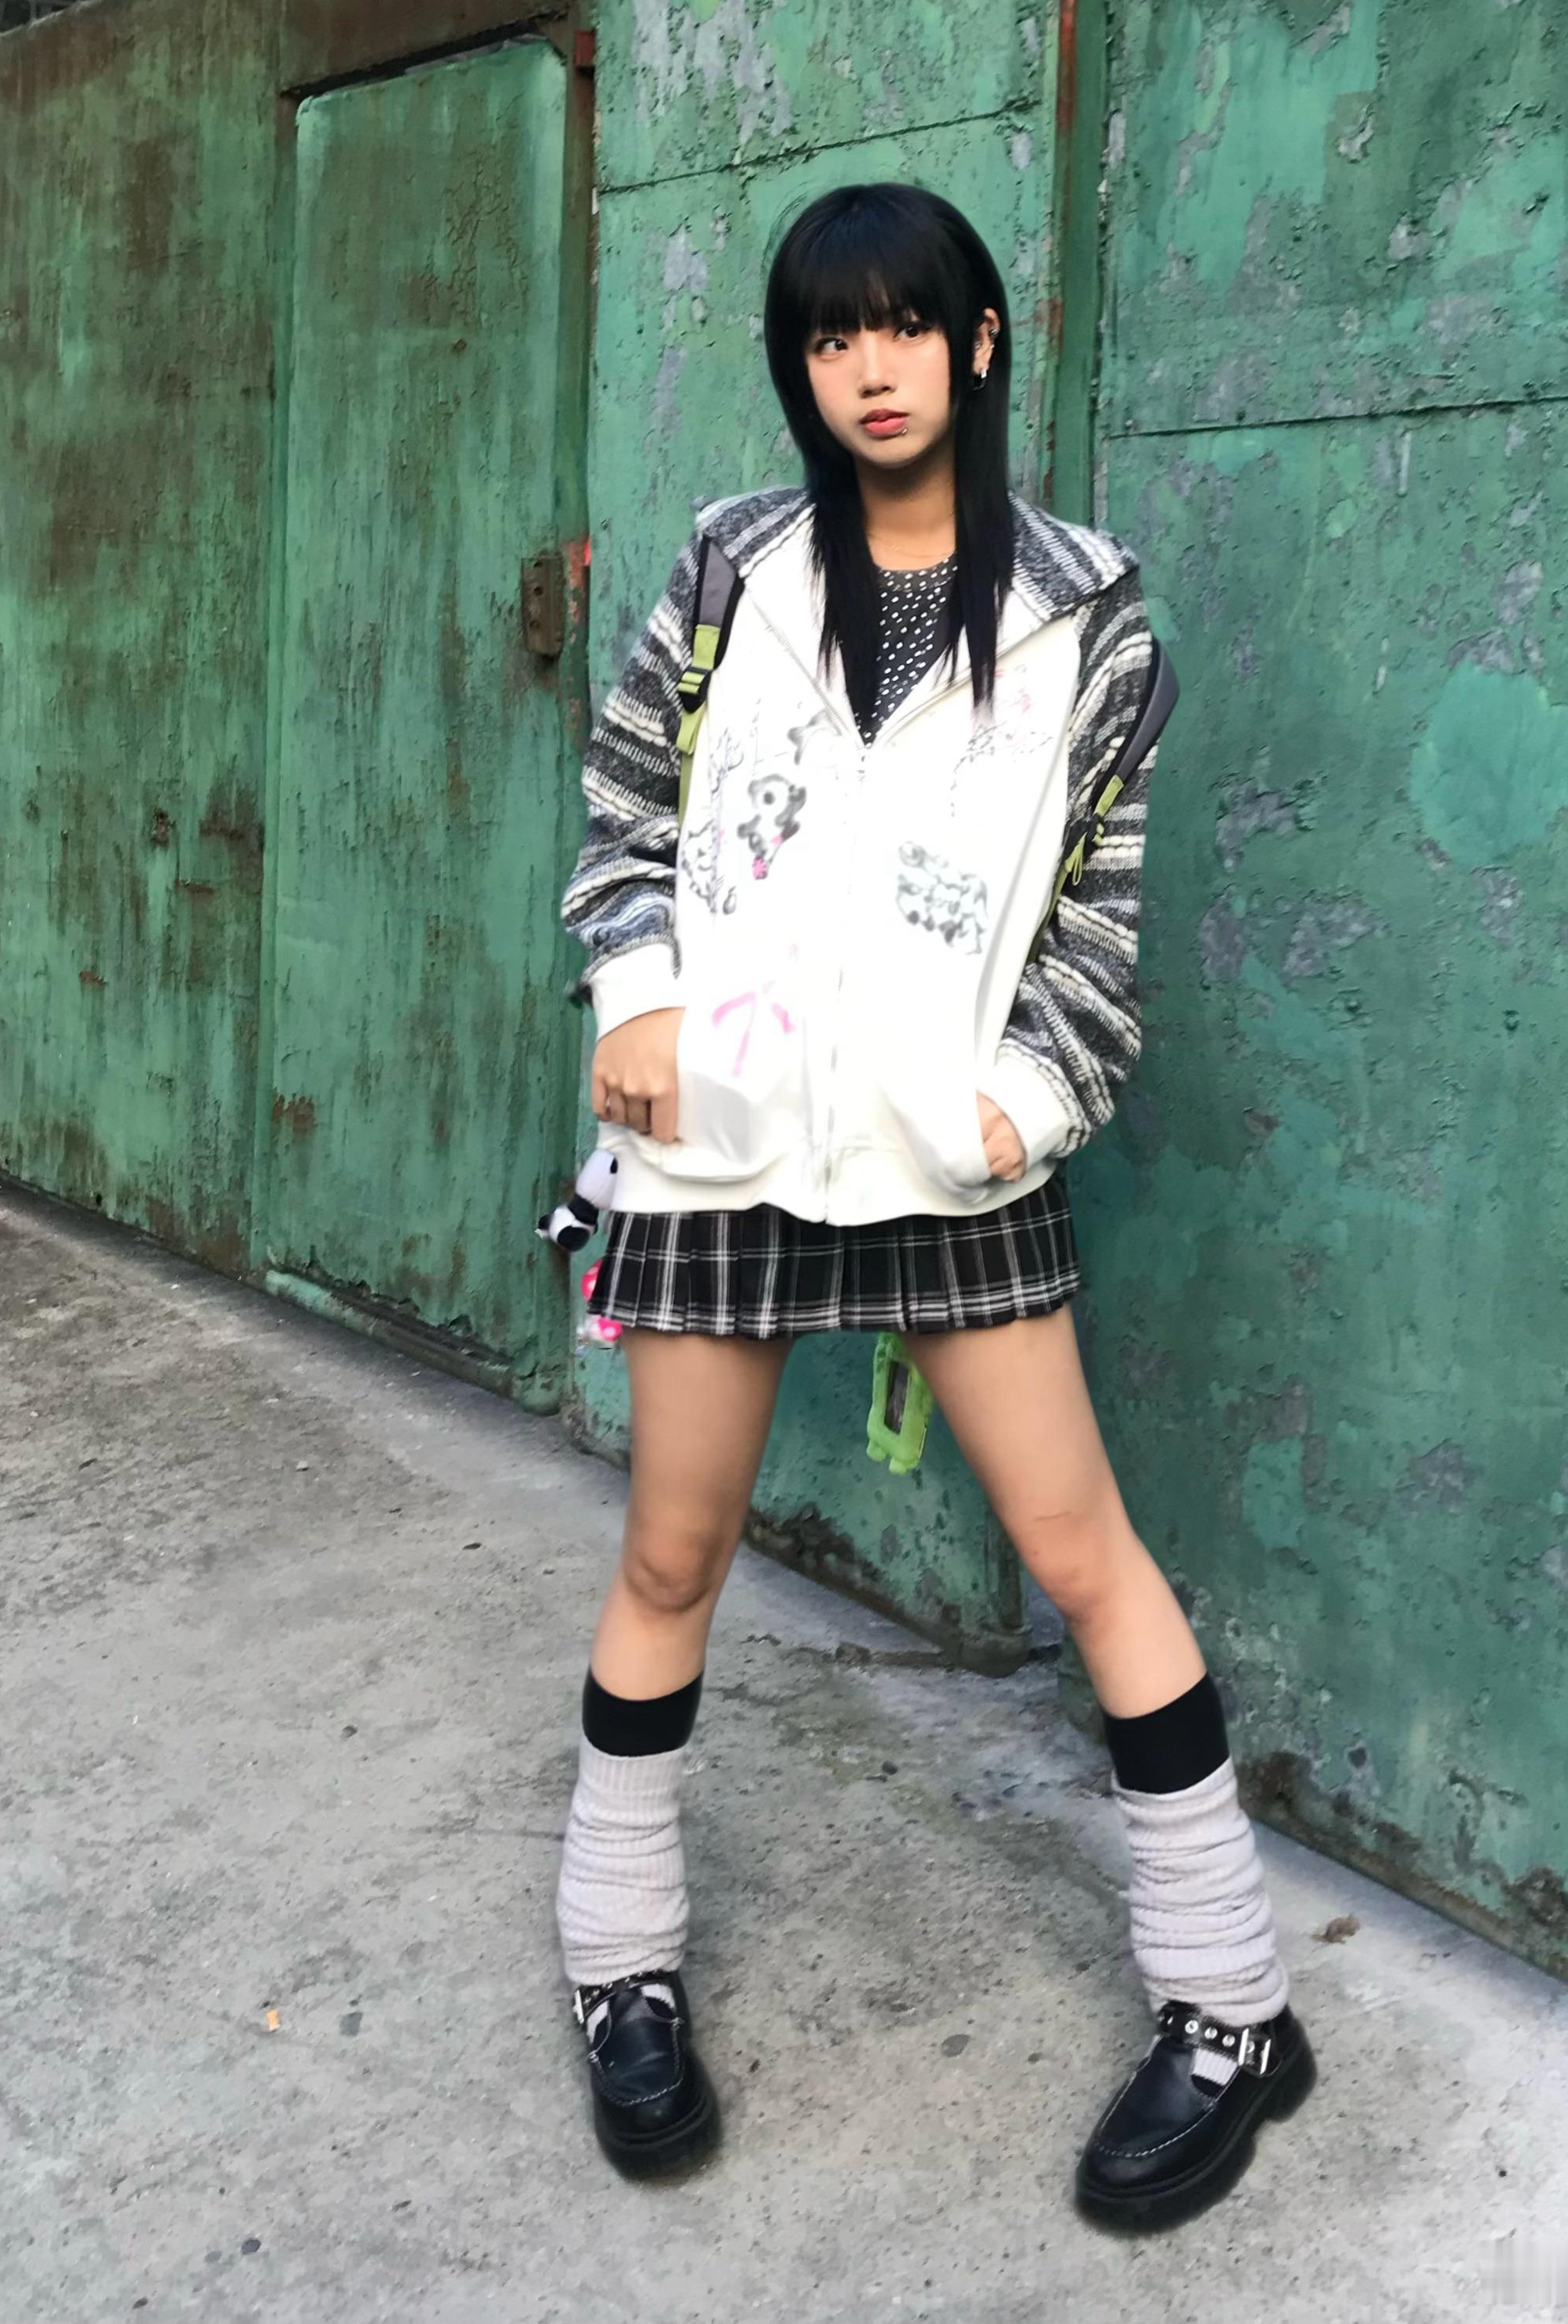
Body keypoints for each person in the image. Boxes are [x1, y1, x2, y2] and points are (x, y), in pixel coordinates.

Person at [553, 181, 1314, 2232]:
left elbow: (1097, 920)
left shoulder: (1088, 616)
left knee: (1080, 1554)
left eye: (904, 327)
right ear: (798, 367)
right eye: (829, 336)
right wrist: (637, 999)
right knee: (672, 1551)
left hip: (940, 1155)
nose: (869, 370)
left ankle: (1233, 2005)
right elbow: (624, 812)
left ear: (977, 343)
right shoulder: (730, 567)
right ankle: (619, 1962)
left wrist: (1022, 1099)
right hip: (720, 1131)